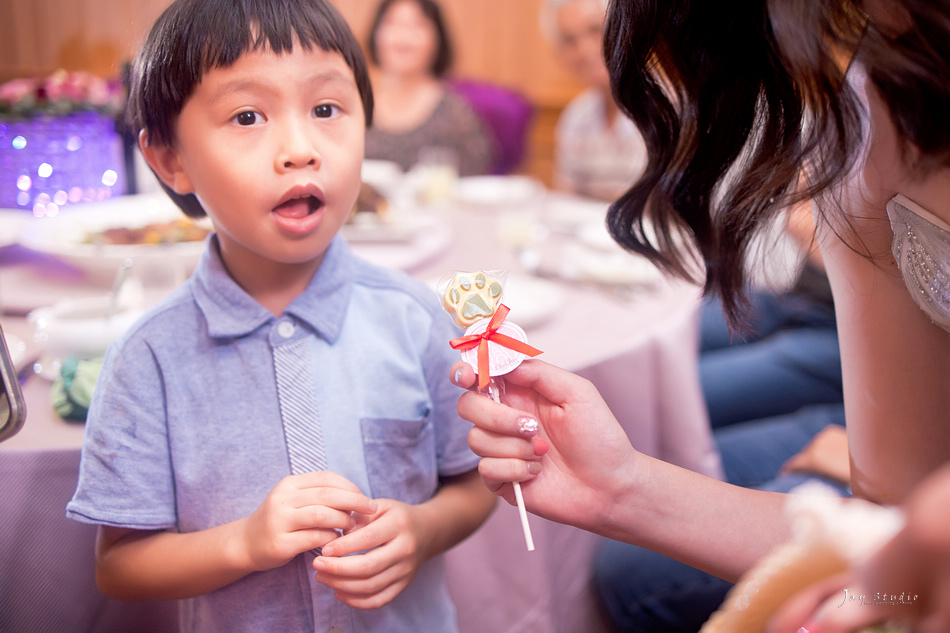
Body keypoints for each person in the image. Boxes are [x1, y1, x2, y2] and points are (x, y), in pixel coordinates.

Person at [452, 1, 950, 631]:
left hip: (809, 321)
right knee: (625, 568)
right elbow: (885, 523)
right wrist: (620, 486)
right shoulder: (863, 107)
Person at [65, 1, 496, 631]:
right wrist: (242, 543)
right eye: (247, 116)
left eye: (326, 110)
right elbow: (120, 566)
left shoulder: (416, 319)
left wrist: (422, 529)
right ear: (169, 159)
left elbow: (474, 480)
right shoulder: (149, 358)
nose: (300, 150)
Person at [364, 0, 494, 176]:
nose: (403, 36)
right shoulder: (359, 104)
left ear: (437, 38)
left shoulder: (456, 113)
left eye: (417, 25)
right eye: (392, 23)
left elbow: (477, 180)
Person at [541, 0, 647, 200]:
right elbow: (566, 205)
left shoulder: (669, 110)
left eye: (595, 29)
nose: (585, 50)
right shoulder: (575, 118)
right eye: (569, 40)